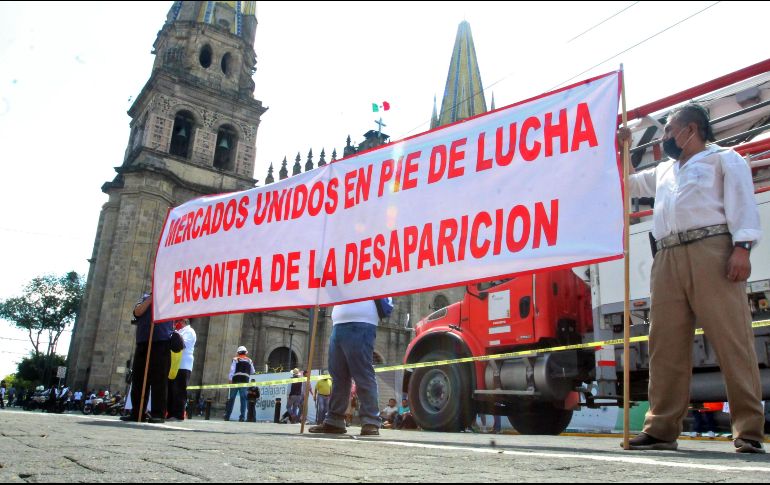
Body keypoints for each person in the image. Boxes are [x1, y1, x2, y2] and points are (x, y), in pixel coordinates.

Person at [620, 104, 765, 454]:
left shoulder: (723, 159)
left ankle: (748, 430)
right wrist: (623, 149)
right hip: (667, 254)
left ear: (692, 129)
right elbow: (627, 184)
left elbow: (744, 205)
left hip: (711, 248)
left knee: (733, 340)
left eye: (670, 130)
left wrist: (742, 248)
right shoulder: (666, 170)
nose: (666, 137)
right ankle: (660, 428)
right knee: (664, 343)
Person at [309, 297, 391, 437]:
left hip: (362, 320)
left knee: (363, 374)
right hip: (338, 323)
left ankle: (371, 421)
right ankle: (335, 420)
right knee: (339, 376)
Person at [120, 291, 173, 424]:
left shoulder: (170, 297)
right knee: (138, 378)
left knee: (159, 380)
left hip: (162, 341)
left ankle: (158, 414)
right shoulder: (145, 297)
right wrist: (151, 298)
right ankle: (137, 412)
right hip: (143, 341)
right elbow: (137, 312)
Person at [167, 318, 196, 421]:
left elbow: (181, 345)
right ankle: (170, 413)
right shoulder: (180, 331)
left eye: (178, 321)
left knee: (179, 390)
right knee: (171, 389)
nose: (176, 323)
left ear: (184, 321)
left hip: (184, 364)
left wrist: (173, 333)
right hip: (174, 364)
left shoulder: (189, 331)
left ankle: (178, 414)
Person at [224, 346, 255, 422]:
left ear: (238, 352)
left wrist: (230, 379)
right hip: (244, 381)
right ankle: (242, 417)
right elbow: (253, 371)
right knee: (243, 399)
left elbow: (232, 370)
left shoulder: (235, 359)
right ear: (246, 352)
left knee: (231, 399)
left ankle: (227, 416)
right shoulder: (249, 360)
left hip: (236, 381)